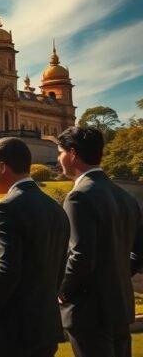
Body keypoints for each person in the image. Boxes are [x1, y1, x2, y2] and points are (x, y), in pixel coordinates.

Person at [56, 126, 143, 357]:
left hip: (88, 311)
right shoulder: (124, 196)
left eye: (60, 152)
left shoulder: (78, 196)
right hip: (121, 306)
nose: (58, 159)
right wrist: (117, 277)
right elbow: (138, 253)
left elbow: (81, 255)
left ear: (73, 154)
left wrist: (63, 291)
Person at [0, 138, 70, 357]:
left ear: (3, 167)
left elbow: (6, 269)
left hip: (12, 329)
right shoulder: (54, 208)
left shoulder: (7, 208)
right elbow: (60, 267)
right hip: (45, 326)